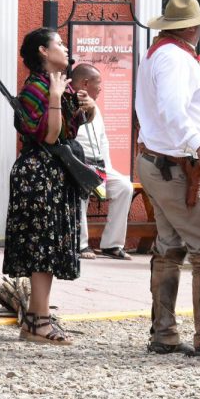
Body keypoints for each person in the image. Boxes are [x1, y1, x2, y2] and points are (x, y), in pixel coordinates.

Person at [135, 0, 200, 357]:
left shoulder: (163, 54)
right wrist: (196, 142)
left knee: (169, 248)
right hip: (178, 165)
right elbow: (173, 109)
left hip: (162, 162)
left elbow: (169, 103)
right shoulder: (173, 59)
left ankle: (165, 332)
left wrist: (199, 75)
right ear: (193, 29)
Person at [3, 27, 96, 345]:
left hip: (56, 177)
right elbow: (52, 136)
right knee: (42, 248)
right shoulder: (35, 89)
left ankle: (35, 318)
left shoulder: (59, 85)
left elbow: (76, 124)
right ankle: (38, 321)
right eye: (59, 43)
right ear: (43, 51)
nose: (65, 48)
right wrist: (56, 98)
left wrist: (87, 106)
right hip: (39, 177)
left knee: (51, 247)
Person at [71, 63, 133, 260]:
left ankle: (112, 244)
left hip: (98, 164)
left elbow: (103, 139)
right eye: (98, 84)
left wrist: (107, 170)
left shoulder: (95, 105)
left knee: (124, 186)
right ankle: (80, 246)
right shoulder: (68, 101)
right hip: (77, 163)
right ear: (85, 83)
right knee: (80, 192)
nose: (100, 88)